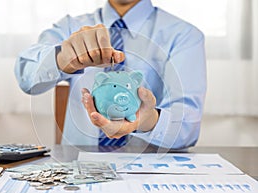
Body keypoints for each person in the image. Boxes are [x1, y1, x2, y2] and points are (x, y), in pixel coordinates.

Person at [14, 0, 206, 149]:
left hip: (149, 171)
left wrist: (149, 121)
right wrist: (62, 58)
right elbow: (26, 78)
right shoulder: (70, 28)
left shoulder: (184, 36)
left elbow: (187, 128)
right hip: (78, 168)